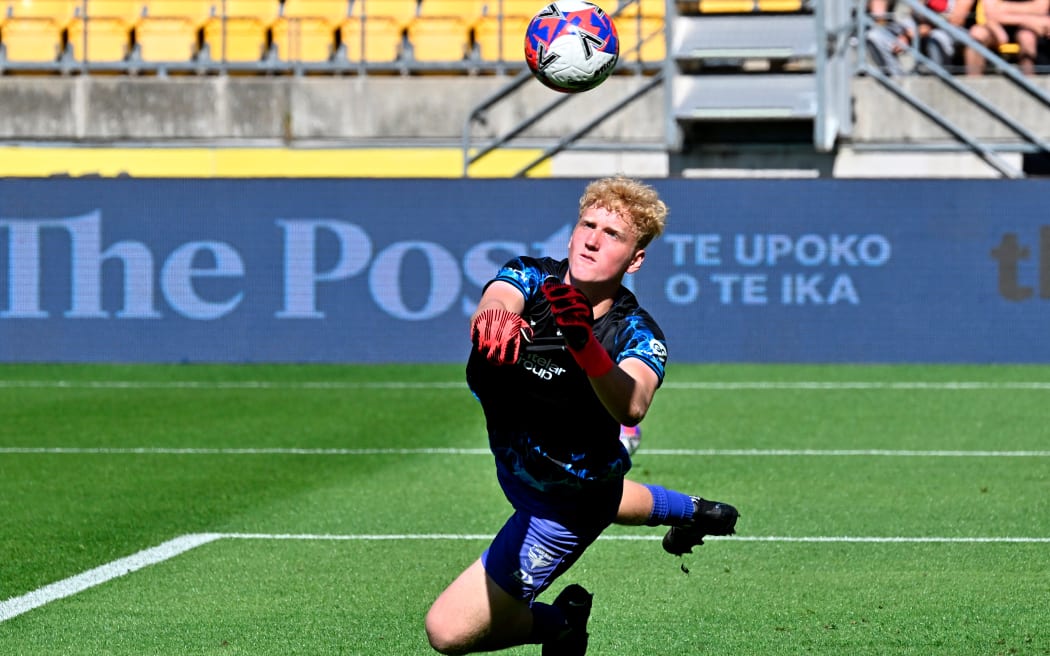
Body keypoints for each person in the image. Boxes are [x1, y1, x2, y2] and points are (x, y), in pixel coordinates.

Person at [424, 176, 739, 655]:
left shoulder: (636, 333)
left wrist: (584, 344)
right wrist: (495, 316)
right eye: (587, 225)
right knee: (604, 487)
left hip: (562, 507)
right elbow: (498, 297)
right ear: (571, 234)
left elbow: (632, 403)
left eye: (613, 235)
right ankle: (697, 511)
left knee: (446, 632)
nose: (593, 238)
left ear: (635, 260)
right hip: (541, 468)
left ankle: (563, 624)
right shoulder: (532, 277)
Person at [967, 0, 1050, 75]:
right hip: (996, 29)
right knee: (977, 33)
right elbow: (990, 13)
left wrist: (1003, 7)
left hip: (1029, 29)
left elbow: (1040, 9)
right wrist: (1028, 18)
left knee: (1027, 37)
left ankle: (1031, 84)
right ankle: (972, 84)